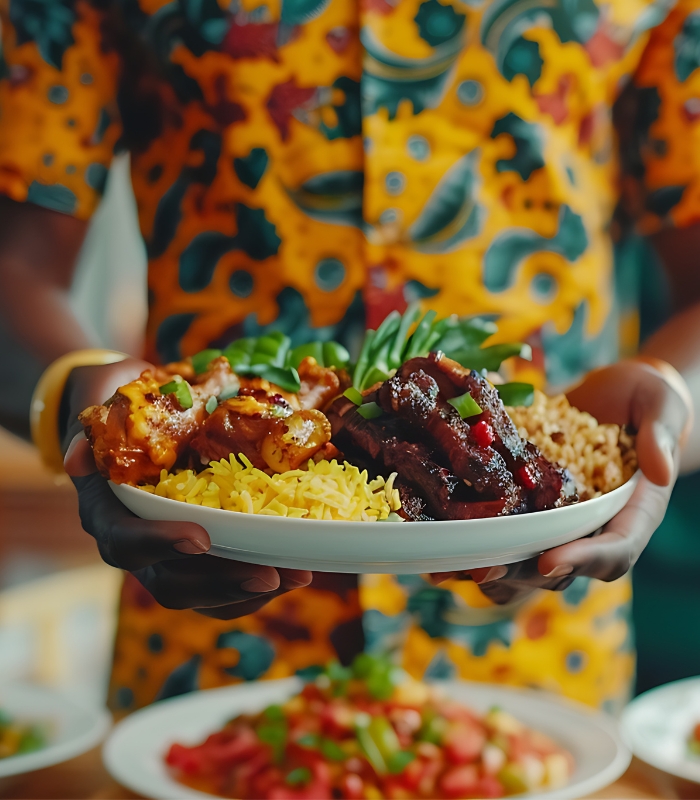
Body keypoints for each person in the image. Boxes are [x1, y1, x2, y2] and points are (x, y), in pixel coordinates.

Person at [1, 0, 699, 718]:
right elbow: (11, 264)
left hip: (539, 652)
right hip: (208, 604)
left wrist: (662, 407)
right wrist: (87, 399)